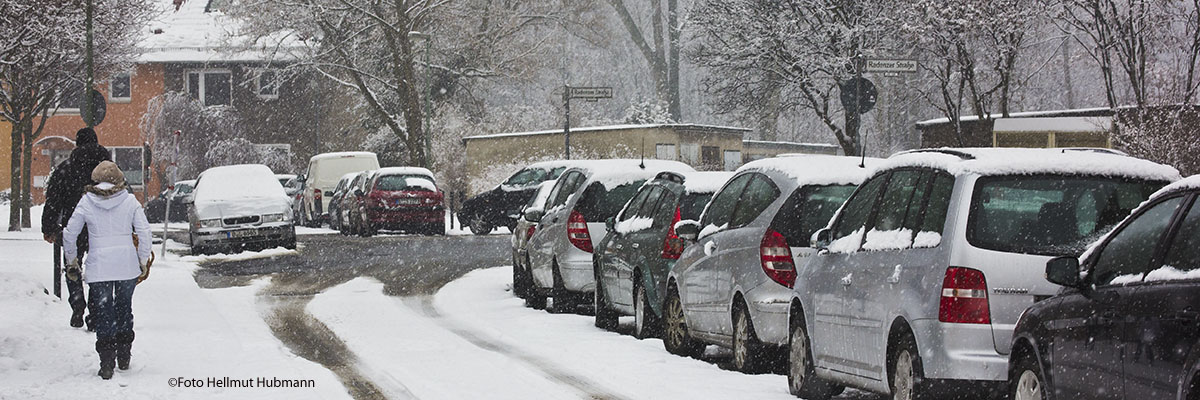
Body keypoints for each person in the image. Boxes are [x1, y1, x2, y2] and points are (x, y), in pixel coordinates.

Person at [62, 161, 152, 379]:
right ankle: (124, 354)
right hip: (126, 265)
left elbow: (69, 234)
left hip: (99, 265)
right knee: (124, 307)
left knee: (104, 312)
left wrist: (72, 261)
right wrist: (142, 261)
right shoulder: (130, 201)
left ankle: (106, 361)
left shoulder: (87, 202)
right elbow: (145, 232)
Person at [42, 127, 111, 329]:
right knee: (99, 269)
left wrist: (49, 228)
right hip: (102, 227)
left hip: (74, 226)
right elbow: (122, 196)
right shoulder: (109, 169)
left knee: (73, 265)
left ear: (77, 144)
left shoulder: (66, 168)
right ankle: (96, 310)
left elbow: (53, 200)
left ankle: (77, 303)